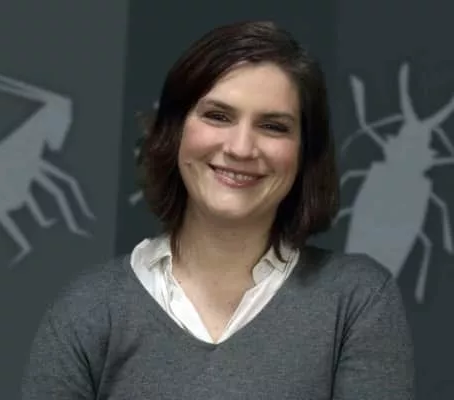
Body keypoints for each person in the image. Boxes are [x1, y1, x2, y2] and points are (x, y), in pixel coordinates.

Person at [21, 20, 415, 399]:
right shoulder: (87, 308)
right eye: (218, 116)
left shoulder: (357, 301)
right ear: (174, 131)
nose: (241, 148)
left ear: (304, 153)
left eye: (273, 126)